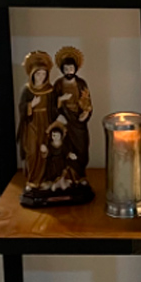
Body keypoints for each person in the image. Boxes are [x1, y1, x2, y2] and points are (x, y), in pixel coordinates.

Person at [50, 45, 92, 182]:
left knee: (81, 148)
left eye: (71, 68)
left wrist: (86, 113)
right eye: (66, 69)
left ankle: (80, 174)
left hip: (79, 121)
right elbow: (52, 103)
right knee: (67, 147)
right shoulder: (58, 84)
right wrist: (61, 100)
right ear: (62, 70)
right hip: (65, 119)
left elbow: (87, 102)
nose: (69, 71)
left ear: (76, 69)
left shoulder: (81, 83)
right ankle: (67, 176)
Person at [17, 50, 54, 192]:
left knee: (45, 151)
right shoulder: (27, 90)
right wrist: (31, 105)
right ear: (32, 74)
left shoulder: (49, 90)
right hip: (31, 124)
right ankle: (32, 180)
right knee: (32, 152)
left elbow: (54, 108)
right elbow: (21, 108)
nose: (41, 77)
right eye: (38, 74)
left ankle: (43, 179)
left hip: (45, 123)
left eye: (44, 74)